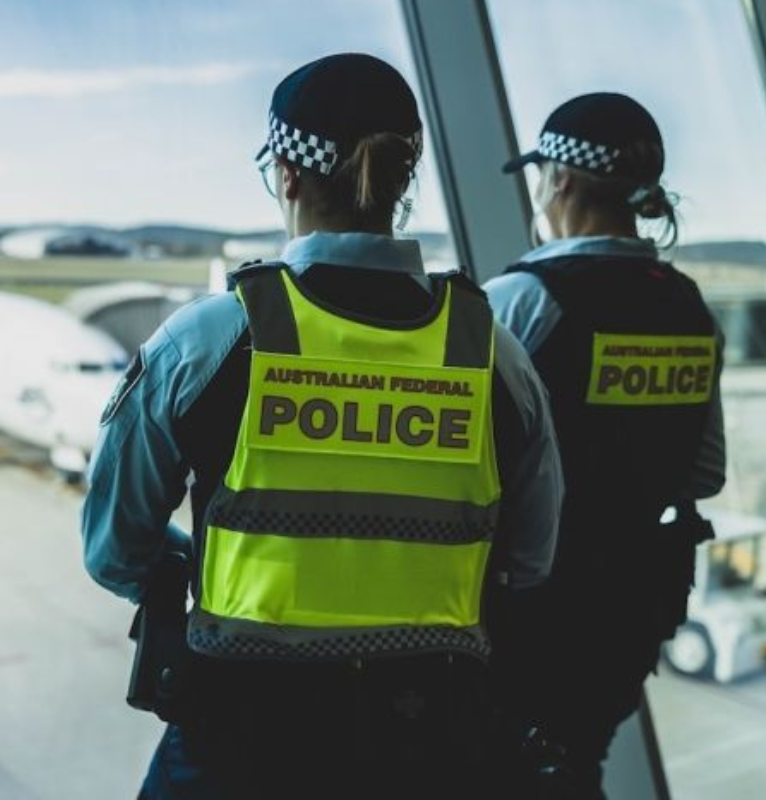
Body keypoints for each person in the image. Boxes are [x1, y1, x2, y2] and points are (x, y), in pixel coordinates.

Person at [82, 53, 563, 799]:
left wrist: (201, 569)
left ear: (287, 173)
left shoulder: (211, 339)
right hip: (430, 736)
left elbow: (114, 551)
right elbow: (529, 561)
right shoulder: (492, 353)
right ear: (404, 179)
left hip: (241, 730)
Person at [484, 92, 727, 797]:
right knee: (575, 764)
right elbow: (704, 473)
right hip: (626, 613)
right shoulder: (688, 308)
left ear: (558, 179)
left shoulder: (520, 302)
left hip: (523, 613)